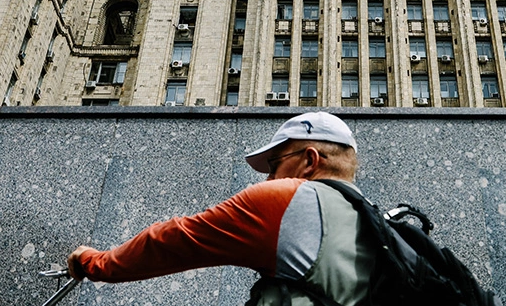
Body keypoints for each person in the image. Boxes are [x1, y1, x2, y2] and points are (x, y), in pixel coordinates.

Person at [67, 112, 374, 305]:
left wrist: (93, 262)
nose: (268, 177)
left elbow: (174, 240)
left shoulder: (285, 199)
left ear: (309, 160)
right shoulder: (372, 218)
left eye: (274, 164)